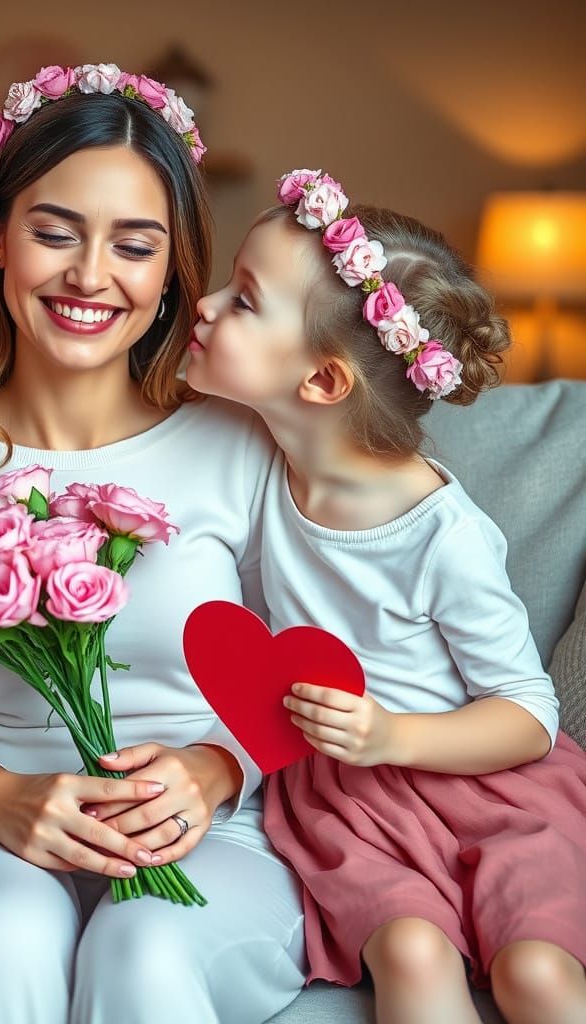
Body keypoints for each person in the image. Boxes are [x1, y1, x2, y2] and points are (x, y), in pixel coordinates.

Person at [0, 64, 306, 1024]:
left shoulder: (243, 444)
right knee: (6, 933)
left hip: (210, 841)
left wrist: (216, 770)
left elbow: (304, 670)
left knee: (144, 946)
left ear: (172, 267)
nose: (91, 276)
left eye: (133, 246)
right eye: (55, 233)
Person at [187, 168, 586, 1023]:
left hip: (486, 784)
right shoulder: (249, 460)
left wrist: (391, 733)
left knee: (537, 974)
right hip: (352, 804)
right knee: (409, 952)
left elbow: (526, 712)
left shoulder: (443, 533)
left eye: (244, 300)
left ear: (325, 383)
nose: (208, 305)